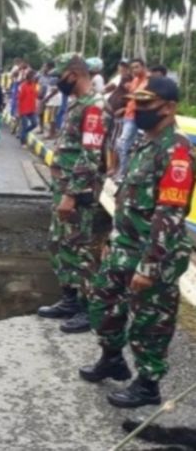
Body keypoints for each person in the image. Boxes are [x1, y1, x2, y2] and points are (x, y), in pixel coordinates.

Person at [83, 77, 194, 408]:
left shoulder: (177, 151)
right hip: (125, 246)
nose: (138, 111)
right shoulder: (145, 143)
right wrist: (113, 239)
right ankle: (112, 357)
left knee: (150, 322)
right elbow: (129, 200)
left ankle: (148, 383)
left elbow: (169, 214)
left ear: (169, 108)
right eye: (137, 104)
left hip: (154, 252)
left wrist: (149, 265)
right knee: (102, 303)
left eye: (147, 105)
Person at [37, 54, 110, 335]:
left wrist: (71, 194)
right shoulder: (79, 104)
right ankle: (69, 299)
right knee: (61, 244)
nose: (58, 81)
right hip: (64, 187)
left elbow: (90, 155)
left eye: (61, 76)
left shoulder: (95, 106)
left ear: (76, 73)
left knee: (82, 250)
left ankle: (87, 308)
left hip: (77, 192)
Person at [116, 58, 149, 179]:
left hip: (138, 116)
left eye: (137, 67)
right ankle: (123, 171)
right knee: (122, 145)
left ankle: (123, 173)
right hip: (129, 114)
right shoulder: (135, 80)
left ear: (143, 67)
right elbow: (132, 95)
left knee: (123, 143)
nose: (134, 70)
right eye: (133, 67)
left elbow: (140, 96)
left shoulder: (148, 81)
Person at [18, 70, 39, 146]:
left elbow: (36, 95)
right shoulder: (23, 86)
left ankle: (23, 133)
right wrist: (19, 111)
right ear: (29, 78)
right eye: (33, 77)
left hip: (32, 109)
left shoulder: (34, 85)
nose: (34, 79)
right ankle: (23, 142)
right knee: (25, 125)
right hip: (24, 110)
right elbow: (20, 99)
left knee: (35, 123)